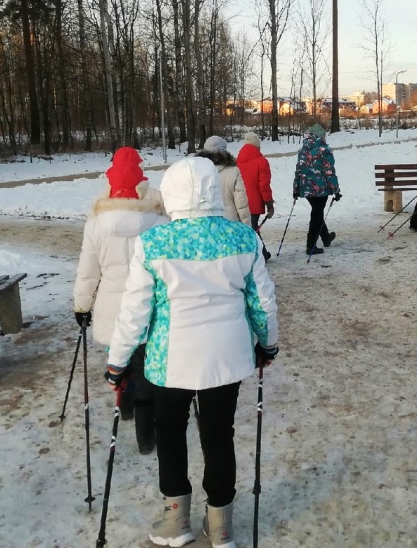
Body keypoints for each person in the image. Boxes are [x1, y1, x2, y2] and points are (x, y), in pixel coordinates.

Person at [105, 157, 279, 548]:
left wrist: (118, 360)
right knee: (219, 433)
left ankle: (175, 519)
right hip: (227, 356)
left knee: (170, 431)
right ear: (213, 190)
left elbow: (135, 310)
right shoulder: (243, 238)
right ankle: (220, 525)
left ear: (171, 193)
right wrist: (267, 343)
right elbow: (262, 301)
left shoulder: (153, 242)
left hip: (171, 359)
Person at [73, 146, 167, 454]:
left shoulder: (96, 224)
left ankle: (125, 408)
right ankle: (146, 435)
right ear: (141, 181)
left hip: (112, 308)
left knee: (120, 359)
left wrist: (82, 305)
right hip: (149, 307)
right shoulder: (159, 222)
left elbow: (88, 272)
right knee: (144, 366)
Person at [293, 123, 341, 255]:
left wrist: (296, 188)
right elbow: (329, 171)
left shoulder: (303, 150)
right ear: (320, 136)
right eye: (324, 136)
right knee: (316, 214)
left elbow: (298, 170)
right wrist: (336, 190)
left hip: (306, 189)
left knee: (317, 212)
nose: (325, 138)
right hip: (321, 189)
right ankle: (311, 245)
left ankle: (326, 238)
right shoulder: (324, 150)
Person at [196, 136, 252, 226]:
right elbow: (241, 203)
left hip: (205, 224)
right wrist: (247, 226)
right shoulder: (234, 171)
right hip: (230, 223)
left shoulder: (197, 171)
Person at [236, 132, 274, 260]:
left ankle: (257, 254)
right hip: (254, 202)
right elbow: (264, 186)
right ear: (257, 146)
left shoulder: (237, 161)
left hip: (239, 201)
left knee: (248, 229)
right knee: (253, 230)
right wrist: (269, 204)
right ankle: (261, 255)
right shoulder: (261, 162)